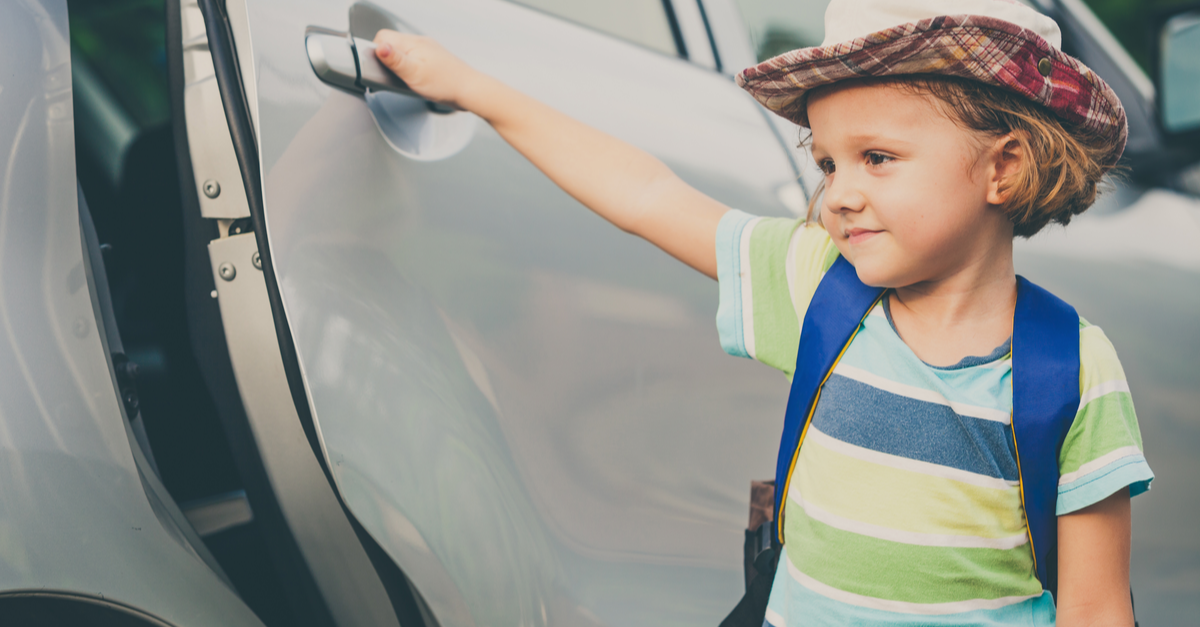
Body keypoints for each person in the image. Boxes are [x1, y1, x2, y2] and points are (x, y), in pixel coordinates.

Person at [372, 0, 1153, 623]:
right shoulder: (819, 283)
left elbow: (1092, 607)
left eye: (876, 157)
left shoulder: (1072, 369)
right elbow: (647, 196)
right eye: (827, 161)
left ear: (1003, 167)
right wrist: (472, 90)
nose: (839, 192)